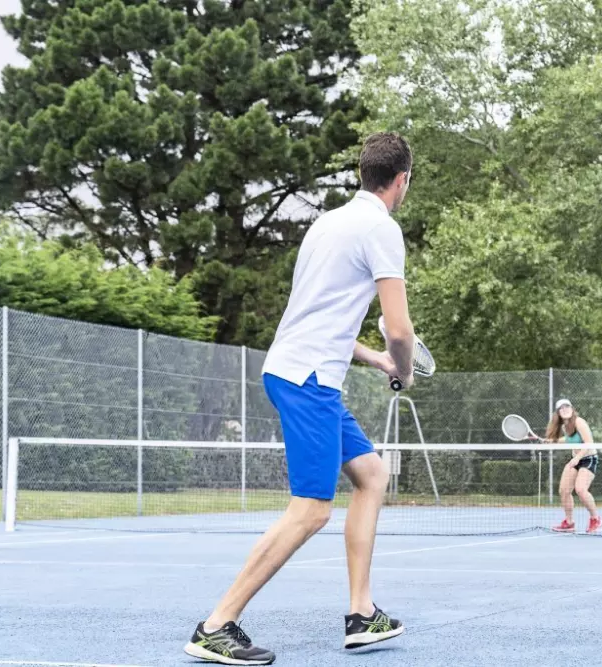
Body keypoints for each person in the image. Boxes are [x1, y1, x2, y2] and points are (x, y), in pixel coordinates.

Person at [184, 132, 418, 665]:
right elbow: (399, 330)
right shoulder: (382, 229)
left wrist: (378, 361)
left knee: (371, 473)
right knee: (311, 510)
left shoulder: (327, 224)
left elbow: (320, 318)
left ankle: (362, 614)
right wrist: (402, 367)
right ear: (402, 179)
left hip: (300, 370)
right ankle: (216, 625)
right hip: (308, 379)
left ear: (363, 174)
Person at [547, 398, 602, 534]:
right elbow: (569, 439)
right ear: (558, 413)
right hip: (575, 460)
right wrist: (553, 441)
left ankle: (595, 518)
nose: (565, 409)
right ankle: (569, 522)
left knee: (581, 490)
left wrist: (577, 458)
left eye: (567, 406)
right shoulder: (566, 426)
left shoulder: (579, 422)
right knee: (564, 490)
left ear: (572, 409)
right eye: (561, 408)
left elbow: (589, 443)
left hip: (588, 458)